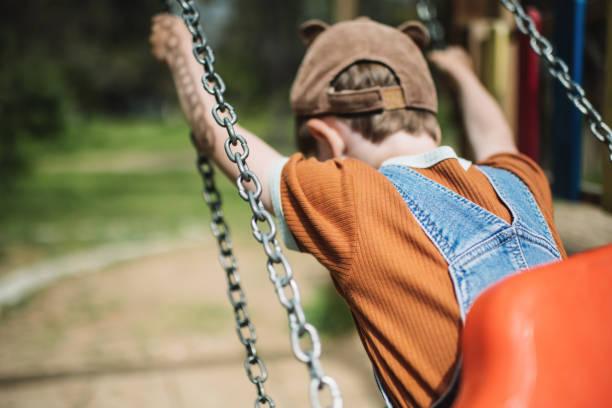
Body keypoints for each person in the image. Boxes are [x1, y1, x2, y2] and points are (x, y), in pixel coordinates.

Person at [150, 14, 566, 408]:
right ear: (433, 126)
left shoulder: (352, 195)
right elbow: (495, 135)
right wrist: (461, 72)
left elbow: (226, 142)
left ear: (326, 140)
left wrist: (183, 51)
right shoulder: (522, 182)